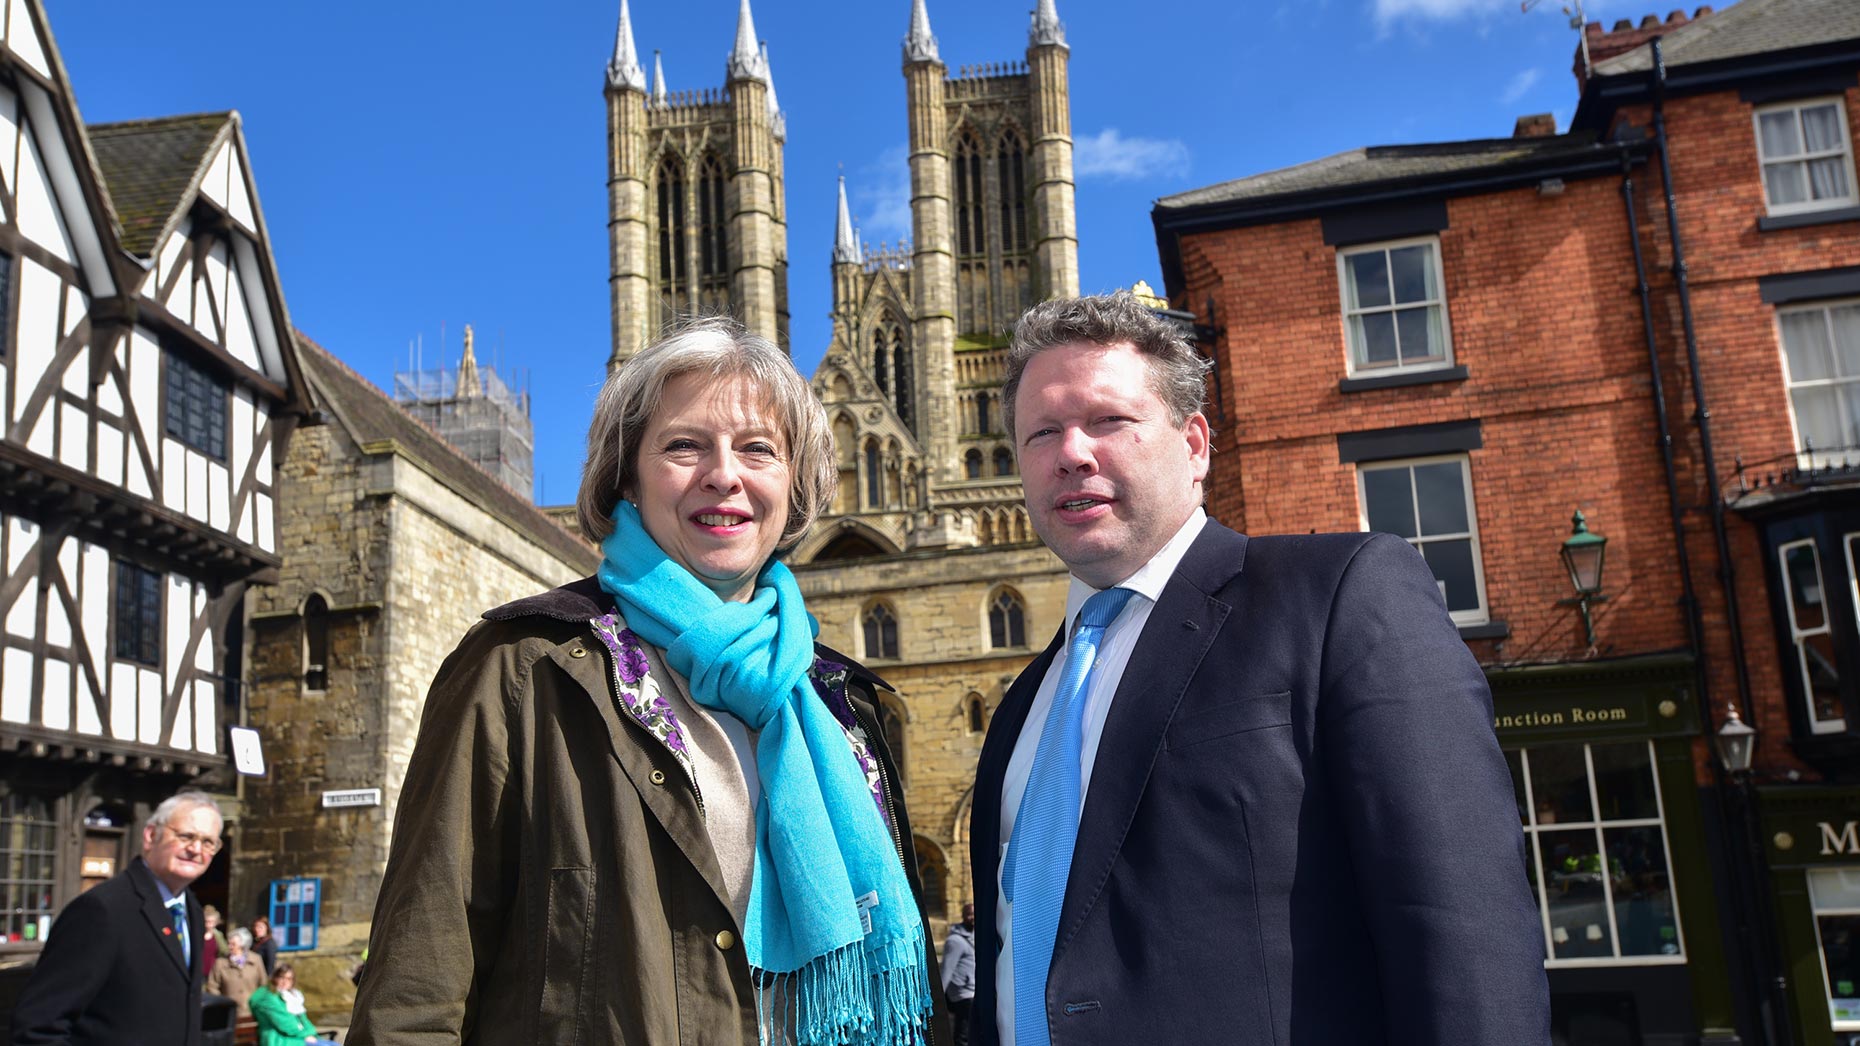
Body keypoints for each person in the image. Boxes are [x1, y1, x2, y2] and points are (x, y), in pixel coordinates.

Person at [968, 293, 1550, 1045]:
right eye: (1041, 432)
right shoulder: (1023, 705)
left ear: (1196, 443)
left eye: (1108, 420)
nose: (1071, 452)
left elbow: (1460, 924)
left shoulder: (1337, 594)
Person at [350, 317, 947, 1046]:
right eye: (684, 445)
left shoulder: (840, 702)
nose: (723, 474)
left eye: (758, 449)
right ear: (626, 476)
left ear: (798, 484)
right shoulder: (525, 666)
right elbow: (418, 986)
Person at [10, 790, 221, 1046]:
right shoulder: (101, 910)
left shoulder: (193, 912)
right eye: (186, 836)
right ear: (151, 835)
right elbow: (38, 1028)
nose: (196, 849)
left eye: (208, 842)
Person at [247, 965, 337, 1046]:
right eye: (282, 977)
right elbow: (285, 1024)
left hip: (295, 1037)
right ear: (274, 978)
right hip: (278, 1040)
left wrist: (311, 1033)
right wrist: (306, 1035)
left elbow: (303, 1020)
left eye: (289, 979)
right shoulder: (268, 998)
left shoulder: (291, 996)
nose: (285, 982)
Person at [204, 927, 266, 1016]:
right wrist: (222, 1004)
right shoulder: (220, 963)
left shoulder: (256, 960)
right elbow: (212, 987)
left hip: (252, 1011)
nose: (229, 947)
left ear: (243, 945)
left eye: (233, 944)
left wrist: (258, 1003)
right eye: (229, 944)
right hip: (228, 1012)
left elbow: (263, 984)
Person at [942, 903, 977, 1046]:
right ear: (963, 916)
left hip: (974, 993)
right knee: (962, 1036)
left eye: (975, 914)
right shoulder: (955, 941)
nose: (972, 917)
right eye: (969, 914)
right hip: (963, 995)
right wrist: (940, 997)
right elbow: (947, 969)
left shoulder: (976, 936)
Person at [199, 906, 224, 979]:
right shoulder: (197, 934)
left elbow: (224, 951)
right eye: (207, 921)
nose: (209, 924)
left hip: (213, 971)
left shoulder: (218, 936)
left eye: (212, 922)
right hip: (199, 971)